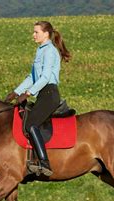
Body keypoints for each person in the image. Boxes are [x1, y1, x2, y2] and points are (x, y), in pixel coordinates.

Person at [4, 21, 71, 176]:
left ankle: (44, 162)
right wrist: (15, 92)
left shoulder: (49, 51)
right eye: (34, 32)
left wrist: (28, 93)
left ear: (46, 34)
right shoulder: (41, 50)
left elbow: (45, 77)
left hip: (49, 93)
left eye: (36, 32)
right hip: (43, 93)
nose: (33, 35)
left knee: (31, 123)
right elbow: (32, 77)